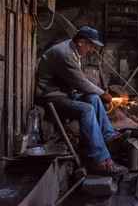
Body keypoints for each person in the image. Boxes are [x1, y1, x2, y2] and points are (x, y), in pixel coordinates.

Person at [35, 26, 130, 175]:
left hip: (64, 94)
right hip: (51, 98)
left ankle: (109, 138)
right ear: (81, 42)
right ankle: (98, 161)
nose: (91, 50)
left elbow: (78, 83)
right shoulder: (65, 53)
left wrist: (97, 94)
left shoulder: (73, 51)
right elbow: (81, 82)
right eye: (90, 46)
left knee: (93, 99)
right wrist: (103, 94)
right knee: (87, 109)